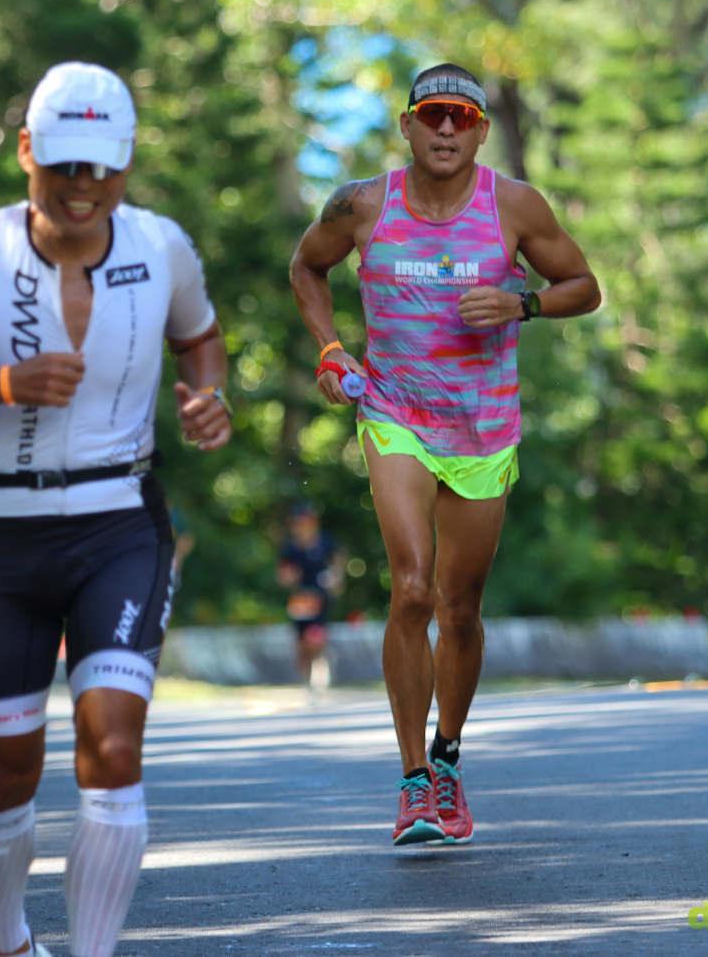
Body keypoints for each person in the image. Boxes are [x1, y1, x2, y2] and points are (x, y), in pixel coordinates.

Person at [0, 62, 230, 957]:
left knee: (111, 747)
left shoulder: (162, 247)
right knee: (6, 771)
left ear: (126, 163)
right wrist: (1, 382)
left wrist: (206, 396)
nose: (84, 187)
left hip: (122, 522)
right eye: (66, 164)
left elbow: (201, 338)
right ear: (28, 153)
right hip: (1, 531)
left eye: (103, 168)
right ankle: (8, 940)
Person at [289, 64, 601, 846]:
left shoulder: (515, 205)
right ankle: (411, 782)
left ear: (481, 131)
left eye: (462, 118)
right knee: (414, 587)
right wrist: (330, 350)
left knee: (460, 608)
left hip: (484, 426)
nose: (447, 131)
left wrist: (521, 302)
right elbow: (306, 266)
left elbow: (585, 285)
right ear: (408, 126)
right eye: (433, 116)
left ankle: (449, 757)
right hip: (393, 413)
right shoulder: (362, 205)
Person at [275, 502, 344, 694]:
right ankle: (306, 680)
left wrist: (336, 577)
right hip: (300, 599)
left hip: (320, 596)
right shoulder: (291, 547)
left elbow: (338, 561)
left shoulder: (325, 541)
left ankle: (320, 671)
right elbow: (282, 575)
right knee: (301, 643)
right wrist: (288, 577)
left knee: (316, 636)